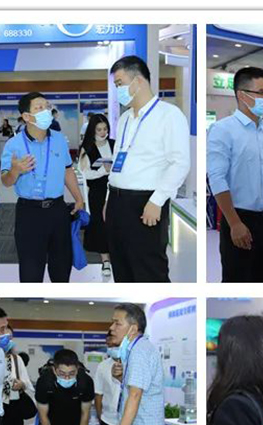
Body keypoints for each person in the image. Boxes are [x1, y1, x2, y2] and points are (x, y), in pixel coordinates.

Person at [107, 55, 190, 282]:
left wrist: (157, 201)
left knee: (149, 270)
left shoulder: (169, 115)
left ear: (138, 81)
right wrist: (108, 198)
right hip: (116, 202)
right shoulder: (125, 119)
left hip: (145, 203)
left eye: (120, 84)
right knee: (121, 267)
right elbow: (117, 162)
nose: (118, 91)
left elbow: (180, 162)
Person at [207, 67, 263, 283]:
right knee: (237, 282)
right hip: (240, 217)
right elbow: (217, 178)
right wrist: (234, 223)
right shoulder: (223, 130)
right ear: (242, 95)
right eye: (261, 92)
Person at [0, 92, 84, 283]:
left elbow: (67, 170)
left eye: (47, 106)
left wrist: (78, 198)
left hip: (58, 210)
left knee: (61, 268)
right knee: (31, 271)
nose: (46, 111)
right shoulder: (14, 145)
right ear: (26, 116)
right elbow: (6, 181)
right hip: (29, 213)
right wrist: (15, 170)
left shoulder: (59, 139)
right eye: (39, 108)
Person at [78, 113, 115, 278]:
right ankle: (105, 260)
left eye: (105, 129)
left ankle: (117, 255)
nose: (102, 132)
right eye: (99, 129)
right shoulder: (87, 148)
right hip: (97, 192)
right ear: (93, 130)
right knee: (100, 224)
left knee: (116, 223)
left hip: (116, 190)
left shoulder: (114, 144)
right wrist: (102, 171)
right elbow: (85, 174)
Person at [93, 333, 121, 425]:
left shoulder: (133, 364)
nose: (112, 348)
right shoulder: (102, 366)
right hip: (108, 420)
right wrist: (100, 417)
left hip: (130, 421)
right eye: (109, 345)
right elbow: (98, 394)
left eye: (115, 345)